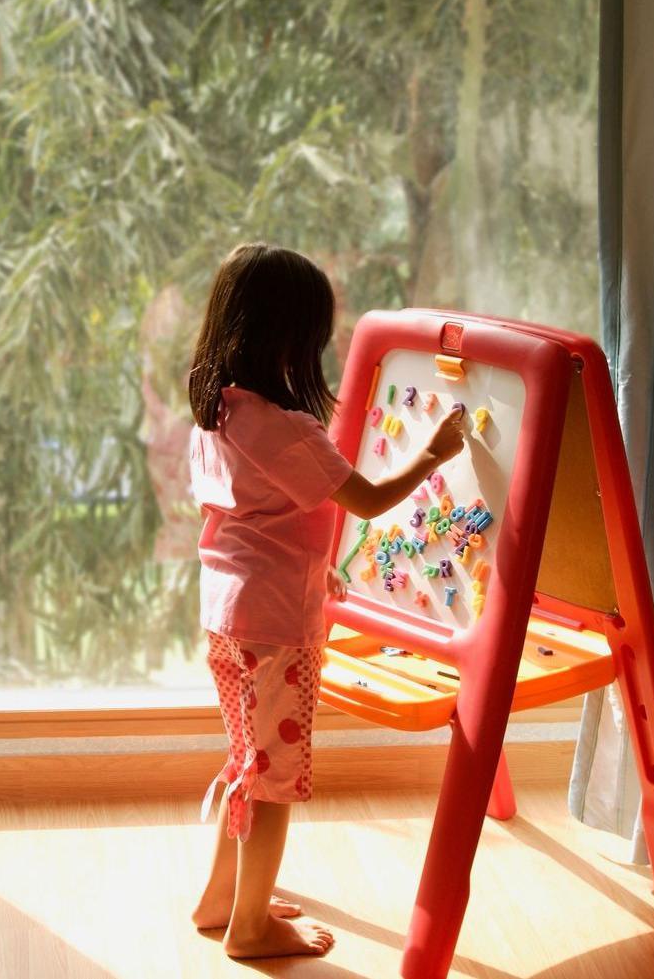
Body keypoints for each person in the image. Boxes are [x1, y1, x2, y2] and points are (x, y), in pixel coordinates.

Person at [184, 243, 466, 958]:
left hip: (227, 613)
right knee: (273, 779)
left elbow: (251, 517)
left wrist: (314, 568)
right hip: (276, 626)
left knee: (246, 759)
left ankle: (221, 899)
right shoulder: (287, 428)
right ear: (287, 336)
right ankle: (249, 926)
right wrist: (432, 454)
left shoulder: (218, 411)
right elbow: (366, 499)